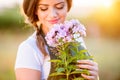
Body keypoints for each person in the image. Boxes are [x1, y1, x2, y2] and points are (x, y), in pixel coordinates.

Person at [15, 0, 99, 80]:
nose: (52, 15)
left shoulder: (76, 37)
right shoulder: (28, 48)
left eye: (60, 7)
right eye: (44, 8)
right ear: (35, 10)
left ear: (67, 6)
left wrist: (94, 77)